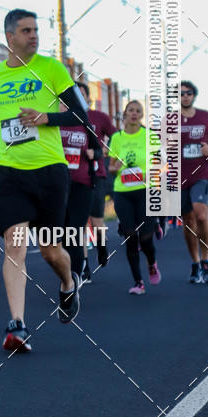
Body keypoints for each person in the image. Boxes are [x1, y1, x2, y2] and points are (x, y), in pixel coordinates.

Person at [0, 9, 85, 353]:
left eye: (35, 30)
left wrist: (45, 117)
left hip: (50, 171)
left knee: (50, 251)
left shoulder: (52, 68)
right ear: (10, 37)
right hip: (11, 174)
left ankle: (68, 283)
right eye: (26, 30)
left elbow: (79, 115)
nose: (34, 35)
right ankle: (17, 325)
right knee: (14, 246)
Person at [108, 100, 161, 295]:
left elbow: (162, 164)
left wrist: (151, 174)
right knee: (130, 236)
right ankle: (138, 282)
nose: (134, 113)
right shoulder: (117, 138)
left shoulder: (150, 136)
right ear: (125, 114)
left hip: (146, 191)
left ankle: (151, 263)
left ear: (142, 116)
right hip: (123, 192)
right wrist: (114, 168)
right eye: (131, 110)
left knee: (145, 239)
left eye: (138, 111)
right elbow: (111, 167)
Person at [179, 80, 208, 284]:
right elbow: (158, 145)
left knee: (201, 215)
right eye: (181, 93)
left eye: (188, 93)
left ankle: (206, 261)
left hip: (201, 174)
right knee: (188, 220)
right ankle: (195, 263)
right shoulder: (169, 120)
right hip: (179, 177)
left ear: (194, 95)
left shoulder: (206, 116)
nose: (185, 96)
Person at [59, 95, 102, 283]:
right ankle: (69, 274)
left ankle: (75, 277)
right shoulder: (51, 125)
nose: (64, 106)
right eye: (61, 102)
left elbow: (98, 150)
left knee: (75, 231)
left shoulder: (84, 124)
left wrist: (94, 153)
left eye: (67, 102)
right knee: (62, 233)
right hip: (58, 187)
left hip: (82, 185)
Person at [76, 80, 116, 270]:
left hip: (95, 175)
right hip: (71, 177)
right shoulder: (62, 118)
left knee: (96, 219)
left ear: (88, 98)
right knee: (79, 222)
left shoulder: (99, 117)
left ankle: (101, 246)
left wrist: (104, 151)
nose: (77, 98)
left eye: (81, 94)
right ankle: (83, 264)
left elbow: (117, 138)